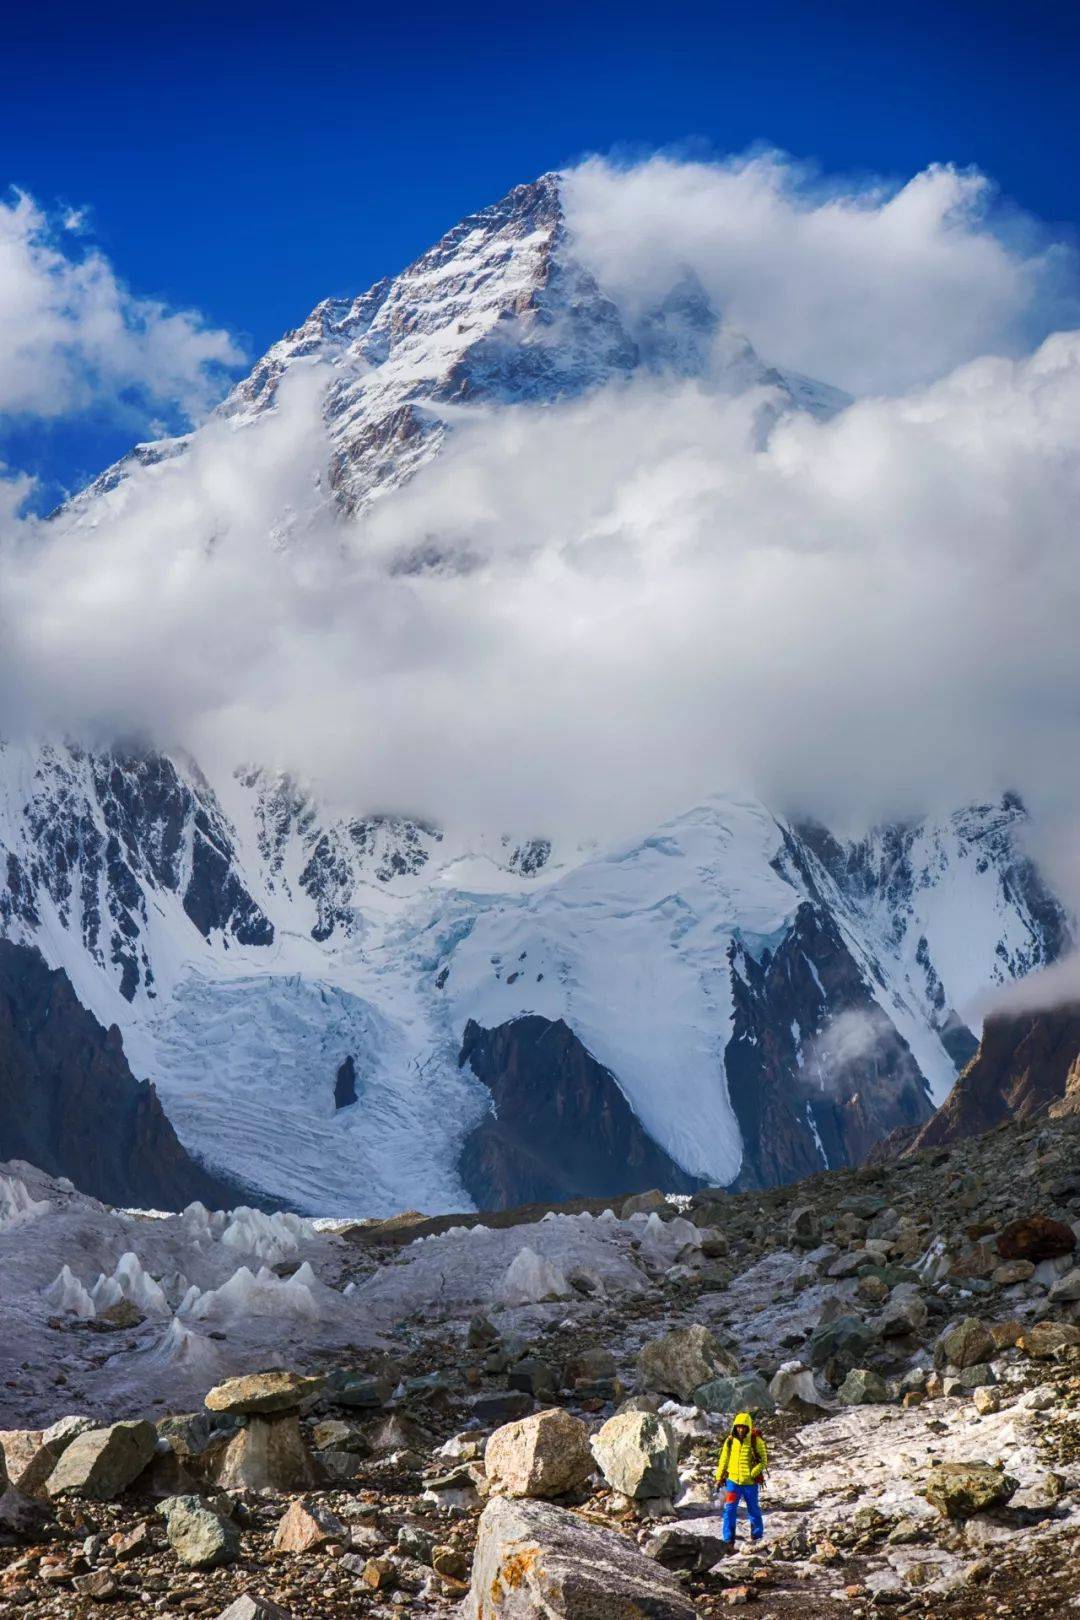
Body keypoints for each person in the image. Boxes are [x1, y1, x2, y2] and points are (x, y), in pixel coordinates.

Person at [714, 1410, 767, 1549]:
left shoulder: (756, 1440)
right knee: (729, 1510)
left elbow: (763, 1460)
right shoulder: (730, 1441)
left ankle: (757, 1537)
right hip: (732, 1483)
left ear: (748, 1426)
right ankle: (728, 1540)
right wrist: (719, 1477)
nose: (740, 1429)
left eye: (743, 1426)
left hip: (750, 1484)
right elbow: (723, 1460)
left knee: (753, 1510)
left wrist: (752, 1473)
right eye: (738, 1426)